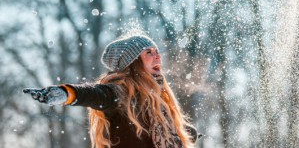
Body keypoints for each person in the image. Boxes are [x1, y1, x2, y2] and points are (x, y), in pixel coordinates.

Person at [23, 31, 200, 148]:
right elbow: (95, 94)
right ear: (133, 63)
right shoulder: (121, 94)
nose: (157, 56)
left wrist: (184, 133)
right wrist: (67, 93)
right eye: (148, 52)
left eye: (156, 51)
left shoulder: (159, 102)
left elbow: (159, 133)